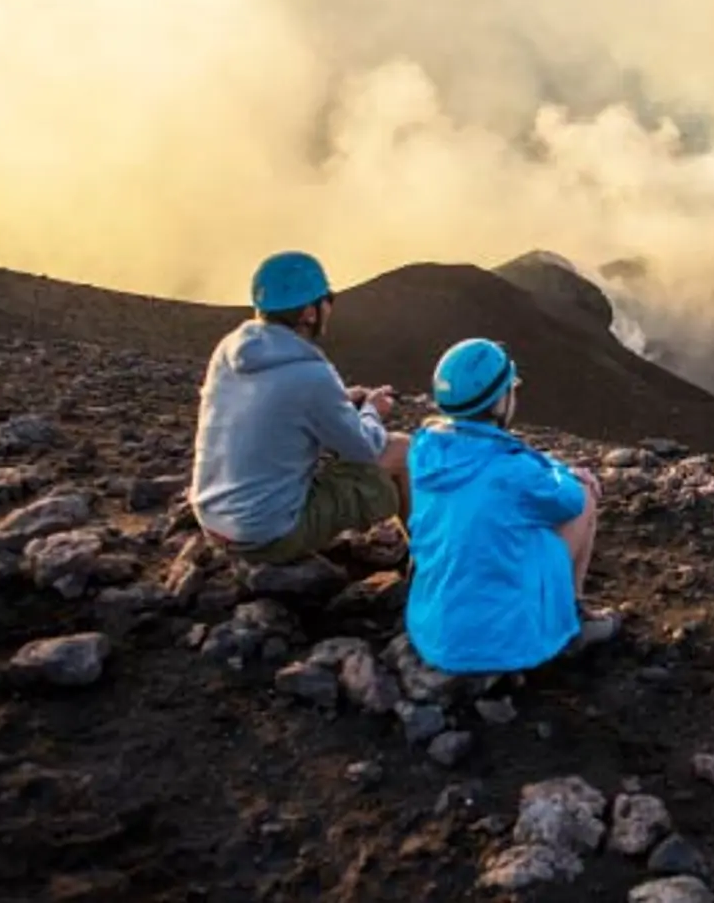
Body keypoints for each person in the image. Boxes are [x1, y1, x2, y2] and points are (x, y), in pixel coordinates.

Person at [404, 337, 618, 675]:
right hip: (499, 643)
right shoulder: (513, 470)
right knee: (584, 496)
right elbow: (569, 501)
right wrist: (567, 473)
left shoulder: (424, 450)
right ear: (499, 401)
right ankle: (574, 617)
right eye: (510, 389)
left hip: (434, 635)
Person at [188, 251, 410, 564]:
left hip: (212, 519)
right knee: (401, 449)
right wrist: (373, 409)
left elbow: (274, 406)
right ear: (309, 312)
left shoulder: (228, 351)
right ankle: (426, 563)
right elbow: (364, 449)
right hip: (263, 536)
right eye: (328, 299)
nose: (330, 307)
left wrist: (340, 400)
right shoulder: (312, 375)